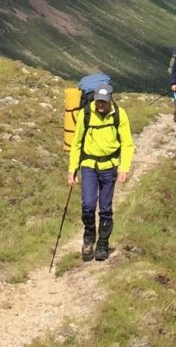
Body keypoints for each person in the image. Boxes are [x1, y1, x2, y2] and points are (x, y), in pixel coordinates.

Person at [66, 85, 133, 261]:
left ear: (110, 99)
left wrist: (123, 168)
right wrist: (72, 169)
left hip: (110, 166)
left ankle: (103, 243)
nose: (100, 105)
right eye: (98, 101)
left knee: (105, 207)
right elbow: (76, 143)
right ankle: (89, 237)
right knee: (88, 205)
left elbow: (127, 143)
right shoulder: (85, 114)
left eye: (104, 101)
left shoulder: (120, 114)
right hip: (89, 165)